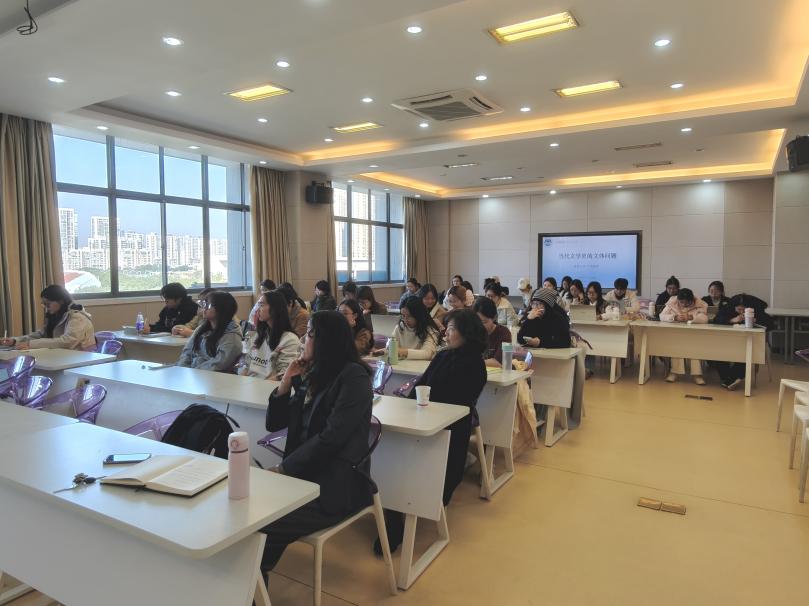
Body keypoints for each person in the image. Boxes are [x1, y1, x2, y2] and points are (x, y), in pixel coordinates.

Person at [259, 311, 373, 573]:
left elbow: (331, 438)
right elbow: (275, 424)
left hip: (334, 484)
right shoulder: (314, 372)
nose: (302, 340)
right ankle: (251, 578)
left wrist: (284, 469)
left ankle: (253, 579)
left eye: (309, 334)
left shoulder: (353, 377)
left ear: (327, 341)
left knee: (263, 525)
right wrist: (286, 383)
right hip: (302, 475)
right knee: (250, 513)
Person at [378, 309, 487, 555]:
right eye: (446, 329)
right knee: (392, 455)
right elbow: (422, 384)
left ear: (466, 333)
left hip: (449, 430)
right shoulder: (443, 355)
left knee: (419, 470)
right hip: (422, 420)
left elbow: (459, 404)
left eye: (451, 329)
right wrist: (407, 406)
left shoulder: (475, 365)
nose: (445, 333)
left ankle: (402, 511)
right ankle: (393, 511)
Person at [1, 284, 95, 351]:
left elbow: (68, 341)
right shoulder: (56, 315)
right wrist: (15, 341)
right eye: (44, 305)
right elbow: (41, 335)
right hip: (62, 356)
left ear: (61, 301)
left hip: (80, 360)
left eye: (48, 304)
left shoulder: (77, 316)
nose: (46, 308)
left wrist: (30, 344)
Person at [713, 294, 774, 390]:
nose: (741, 312)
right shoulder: (728, 307)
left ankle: (731, 379)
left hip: (749, 341)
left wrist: (756, 320)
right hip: (729, 339)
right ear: (734, 307)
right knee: (719, 350)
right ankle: (730, 379)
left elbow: (770, 324)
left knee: (746, 352)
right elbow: (716, 320)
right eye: (739, 309)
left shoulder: (756, 309)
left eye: (744, 309)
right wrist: (732, 320)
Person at [240, 291, 300, 380]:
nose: (257, 310)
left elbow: (284, 374)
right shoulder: (260, 334)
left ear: (275, 308)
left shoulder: (290, 339)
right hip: (251, 383)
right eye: (258, 305)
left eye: (261, 305)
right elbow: (247, 365)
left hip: (269, 385)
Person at [177, 291, 242, 371]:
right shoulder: (202, 328)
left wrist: (192, 372)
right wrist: (183, 369)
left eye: (209, 305)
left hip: (211, 376)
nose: (204, 308)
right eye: (204, 304)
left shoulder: (232, 338)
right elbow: (187, 351)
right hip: (192, 372)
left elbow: (218, 364)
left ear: (221, 309)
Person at [659, 288, 708, 385]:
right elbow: (662, 316)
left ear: (692, 300)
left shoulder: (700, 304)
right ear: (678, 300)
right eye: (682, 302)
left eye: (687, 302)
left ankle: (697, 375)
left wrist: (692, 317)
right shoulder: (672, 303)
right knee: (677, 345)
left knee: (695, 347)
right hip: (676, 334)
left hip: (694, 335)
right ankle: (674, 372)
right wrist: (674, 317)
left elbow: (705, 319)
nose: (684, 305)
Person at [474, 296, 513, 367]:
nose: (479, 326)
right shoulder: (473, 331)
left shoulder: (505, 333)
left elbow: (502, 362)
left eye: (484, 322)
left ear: (494, 317)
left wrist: (471, 362)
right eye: (476, 321)